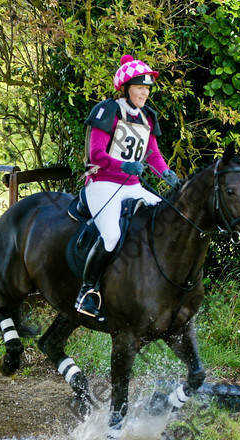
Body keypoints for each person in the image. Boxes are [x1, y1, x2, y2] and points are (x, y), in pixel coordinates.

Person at [74, 54, 180, 319]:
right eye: (139, 87)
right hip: (102, 183)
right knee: (111, 235)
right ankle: (87, 293)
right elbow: (95, 153)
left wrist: (165, 172)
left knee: (169, 219)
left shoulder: (147, 117)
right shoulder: (108, 110)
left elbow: (152, 154)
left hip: (131, 185)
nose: (144, 92)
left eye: (147, 88)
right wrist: (123, 166)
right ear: (126, 88)